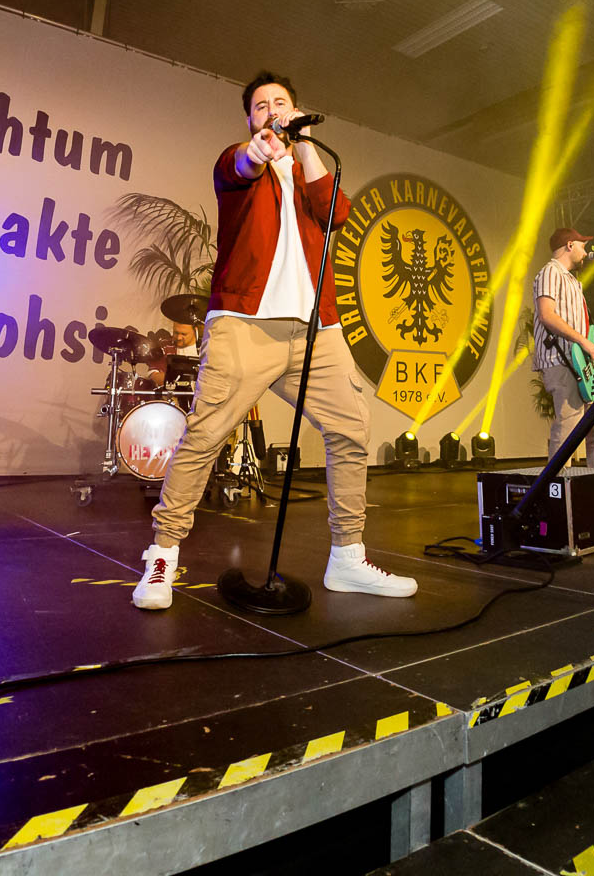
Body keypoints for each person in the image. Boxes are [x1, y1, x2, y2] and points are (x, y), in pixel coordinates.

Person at [132, 72, 414, 610]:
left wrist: (303, 145)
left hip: (315, 331)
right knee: (206, 433)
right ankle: (163, 554)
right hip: (246, 324)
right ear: (250, 119)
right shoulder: (240, 165)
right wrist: (259, 149)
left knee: (351, 428)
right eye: (261, 105)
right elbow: (239, 163)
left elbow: (337, 213)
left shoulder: (308, 174)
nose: (272, 110)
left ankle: (348, 557)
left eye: (281, 103)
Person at [531, 227, 594, 470]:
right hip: (560, 361)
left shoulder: (573, 282)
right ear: (570, 245)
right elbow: (547, 315)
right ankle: (556, 483)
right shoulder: (550, 272)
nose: (585, 253)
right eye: (582, 246)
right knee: (569, 425)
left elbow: (581, 333)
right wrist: (582, 340)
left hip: (582, 365)